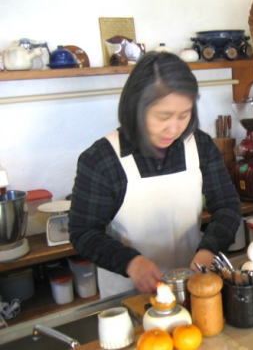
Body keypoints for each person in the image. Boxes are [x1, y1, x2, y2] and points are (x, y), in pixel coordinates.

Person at [69, 51, 241, 298]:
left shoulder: (199, 146)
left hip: (194, 285)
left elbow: (227, 206)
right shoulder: (101, 159)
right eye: (163, 116)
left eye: (184, 115)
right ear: (135, 107)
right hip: (129, 294)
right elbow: (83, 232)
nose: (174, 128)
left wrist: (208, 251)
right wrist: (131, 262)